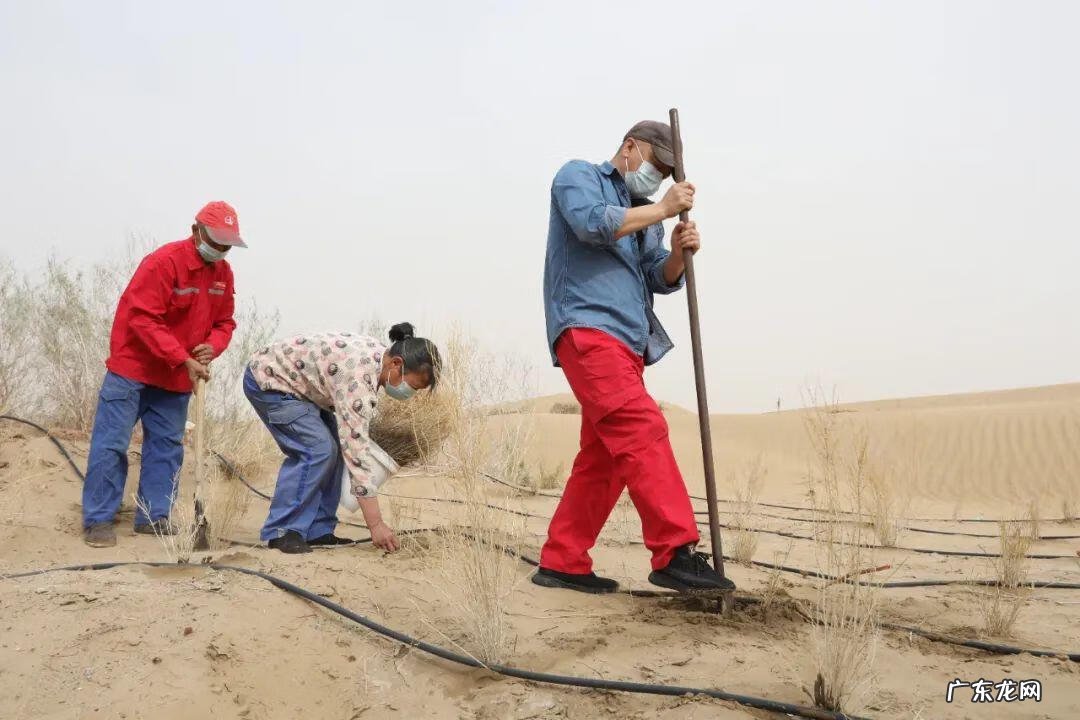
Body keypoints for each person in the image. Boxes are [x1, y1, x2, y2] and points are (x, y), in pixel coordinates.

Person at [535, 120, 735, 594]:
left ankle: (562, 560)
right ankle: (675, 550)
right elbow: (592, 225)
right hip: (587, 329)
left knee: (604, 457)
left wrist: (678, 255)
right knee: (642, 427)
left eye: (667, 173)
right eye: (656, 165)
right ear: (629, 147)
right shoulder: (578, 176)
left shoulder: (647, 212)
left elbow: (658, 278)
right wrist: (665, 207)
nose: (659, 177)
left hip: (628, 344)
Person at [82, 201, 246, 547]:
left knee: (167, 448)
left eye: (226, 245)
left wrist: (212, 346)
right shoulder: (163, 263)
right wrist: (181, 357)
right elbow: (142, 318)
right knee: (111, 445)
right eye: (214, 241)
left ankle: (153, 515)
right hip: (133, 368)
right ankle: (98, 519)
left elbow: (225, 322)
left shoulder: (223, 275)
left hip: (175, 380)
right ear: (196, 231)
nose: (219, 250)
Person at [244, 323, 441, 554]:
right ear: (396, 363)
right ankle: (283, 531)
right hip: (270, 381)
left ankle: (318, 530)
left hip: (302, 388)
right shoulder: (358, 379)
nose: (409, 393)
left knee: (333, 448)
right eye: (411, 386)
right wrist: (375, 525)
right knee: (317, 449)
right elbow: (357, 457)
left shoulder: (379, 360)